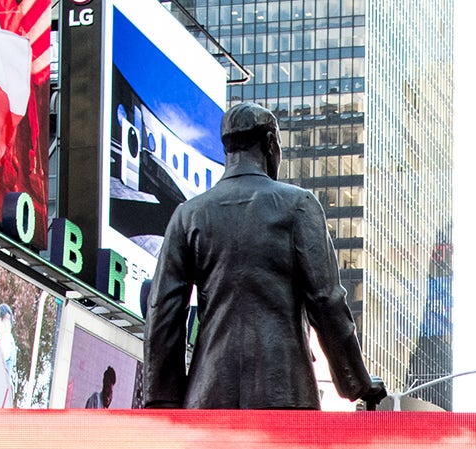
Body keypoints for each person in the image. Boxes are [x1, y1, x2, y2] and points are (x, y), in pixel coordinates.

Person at [143, 102, 386, 410]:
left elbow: (163, 311)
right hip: (285, 394)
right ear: (271, 144)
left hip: (208, 397)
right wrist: (357, 383)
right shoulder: (299, 205)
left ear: (227, 150)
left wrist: (162, 400)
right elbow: (326, 300)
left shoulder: (188, 214)